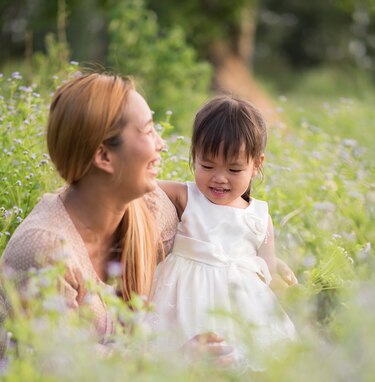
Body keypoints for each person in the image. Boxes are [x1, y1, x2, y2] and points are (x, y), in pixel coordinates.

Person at [0, 72, 232, 363]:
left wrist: (259, 251)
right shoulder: (43, 251)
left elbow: (201, 212)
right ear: (104, 157)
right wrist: (174, 365)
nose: (161, 143)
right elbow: (63, 368)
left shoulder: (147, 210)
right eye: (148, 131)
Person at [151, 95, 297, 362]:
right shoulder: (186, 196)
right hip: (183, 298)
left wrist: (278, 267)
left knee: (238, 363)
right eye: (207, 165)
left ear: (257, 165)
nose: (219, 178)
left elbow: (266, 272)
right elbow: (140, 185)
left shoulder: (259, 216)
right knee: (175, 358)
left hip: (238, 305)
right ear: (194, 156)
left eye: (234, 169)